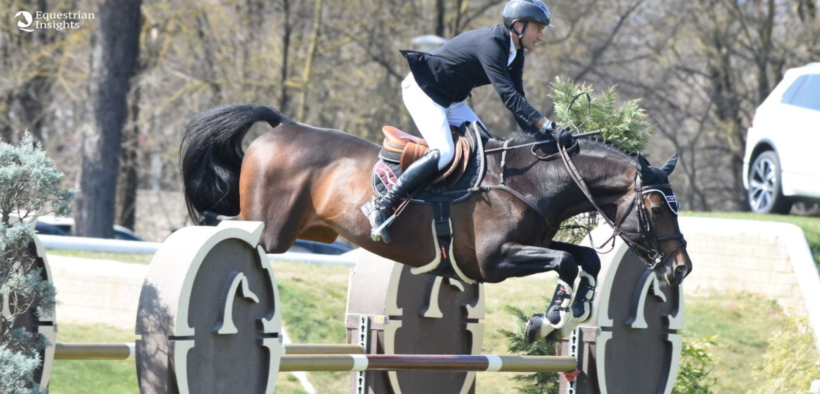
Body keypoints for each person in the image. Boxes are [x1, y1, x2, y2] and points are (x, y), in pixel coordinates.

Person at [363, 0, 574, 243]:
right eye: (538, 28)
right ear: (518, 26)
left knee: (486, 147)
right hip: (424, 92)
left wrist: (543, 136)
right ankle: (382, 205)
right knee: (443, 152)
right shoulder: (493, 45)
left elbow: (518, 100)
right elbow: (508, 96)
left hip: (451, 100)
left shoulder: (515, 52)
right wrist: (548, 125)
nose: (541, 36)